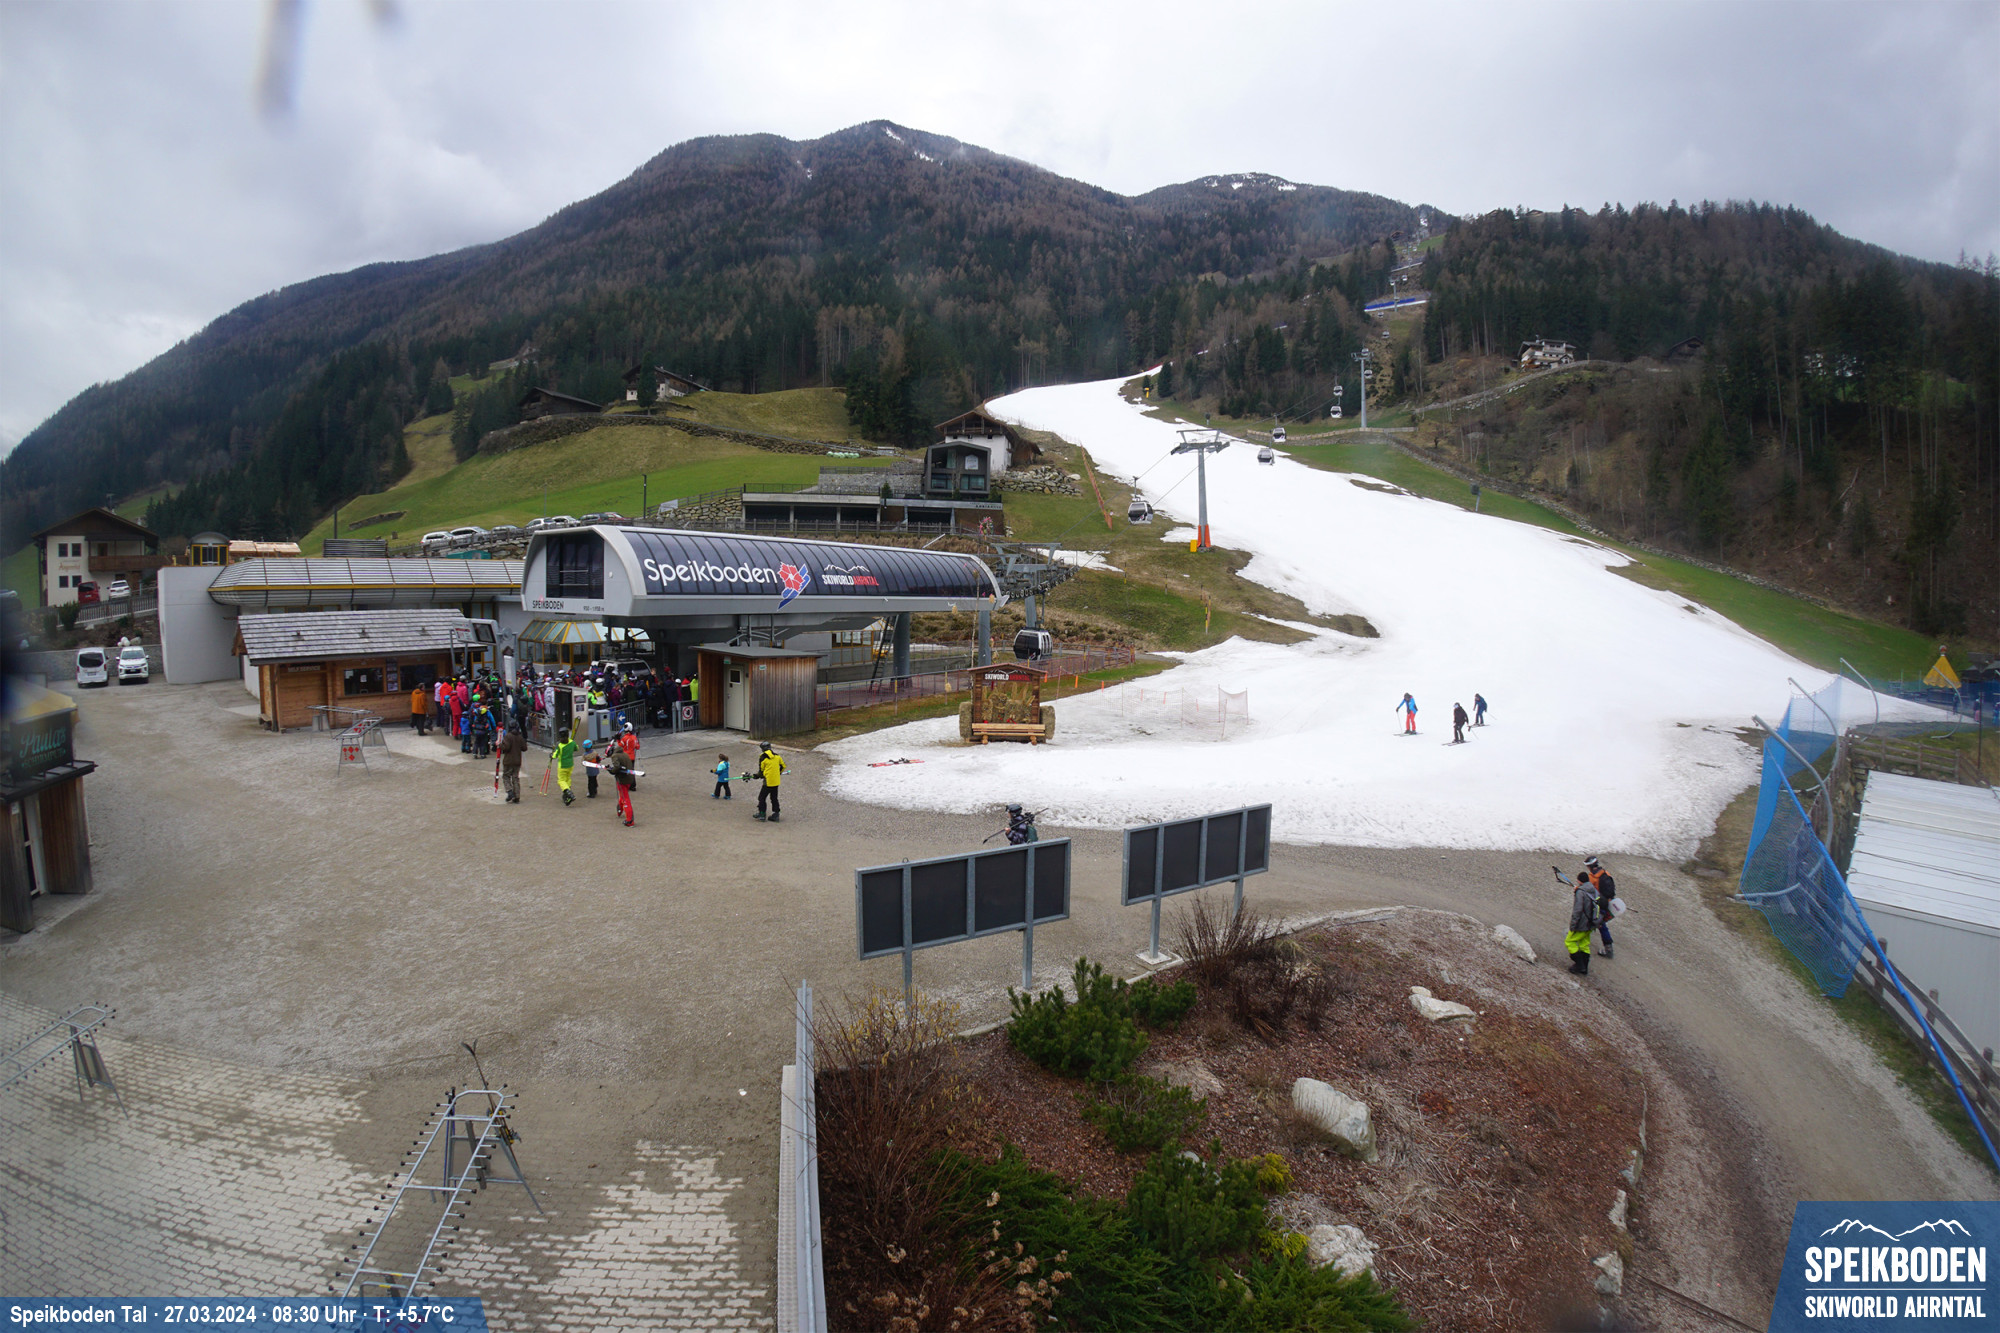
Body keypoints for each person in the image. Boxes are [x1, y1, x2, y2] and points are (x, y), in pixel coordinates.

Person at [1584, 855, 1617, 958]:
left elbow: (1588, 890)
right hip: (1606, 903)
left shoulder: (1592, 877)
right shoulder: (1606, 873)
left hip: (1597, 905)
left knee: (1593, 922)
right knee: (1600, 924)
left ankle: (1578, 939)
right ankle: (1608, 948)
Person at [1566, 872, 1599, 975]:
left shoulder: (1580, 892)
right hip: (1591, 924)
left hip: (1582, 924)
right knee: (1584, 944)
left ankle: (1579, 965)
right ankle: (1585, 968)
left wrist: (1573, 925)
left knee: (1569, 941)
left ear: (1579, 880)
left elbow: (1577, 910)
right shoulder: (1593, 889)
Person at [753, 743, 786, 822]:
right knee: (774, 798)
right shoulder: (777, 756)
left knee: (761, 798)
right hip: (776, 781)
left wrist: (757, 776)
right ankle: (776, 814)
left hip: (768, 782)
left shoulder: (763, 757)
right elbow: (783, 766)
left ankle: (762, 814)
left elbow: (761, 771)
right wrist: (778, 772)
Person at [606, 740, 635, 826]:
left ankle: (630, 820)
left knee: (625, 799)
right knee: (622, 795)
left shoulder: (614, 756)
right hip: (629, 778)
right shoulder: (624, 754)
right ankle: (620, 810)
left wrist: (611, 770)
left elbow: (616, 767)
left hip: (622, 780)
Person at [497, 724, 526, 804]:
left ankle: (509, 791)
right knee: (515, 778)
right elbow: (524, 748)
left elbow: (506, 747)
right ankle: (517, 796)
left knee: (506, 776)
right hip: (517, 761)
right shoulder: (520, 737)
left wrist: (499, 745)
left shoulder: (508, 736)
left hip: (508, 760)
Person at [555, 727, 579, 806]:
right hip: (570, 765)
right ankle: (567, 796)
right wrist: (573, 744)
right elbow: (577, 748)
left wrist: (551, 755)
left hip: (562, 765)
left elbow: (555, 755)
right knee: (568, 779)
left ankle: (568, 792)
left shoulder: (559, 745)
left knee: (561, 780)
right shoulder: (572, 742)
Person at [616, 721, 641, 791]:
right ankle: (633, 785)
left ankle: (626, 785)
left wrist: (618, 739)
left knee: (624, 771)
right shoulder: (634, 738)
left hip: (625, 757)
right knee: (631, 771)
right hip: (632, 757)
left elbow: (620, 745)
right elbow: (637, 747)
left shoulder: (624, 738)